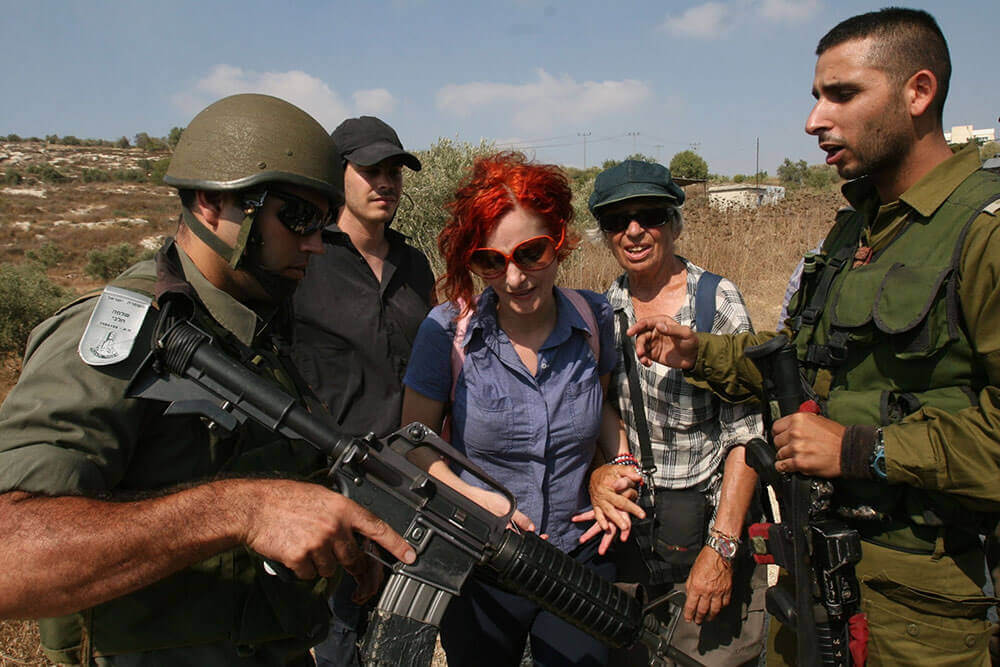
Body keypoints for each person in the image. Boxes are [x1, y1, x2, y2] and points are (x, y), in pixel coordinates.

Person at [627, 8, 1000, 665]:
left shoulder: (983, 235)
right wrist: (695, 351)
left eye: (843, 94)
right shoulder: (854, 230)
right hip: (818, 574)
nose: (814, 121)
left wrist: (859, 449)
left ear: (919, 92)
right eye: (815, 97)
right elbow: (799, 363)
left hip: (923, 606)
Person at [0, 94, 416, 666]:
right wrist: (242, 511)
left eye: (322, 221)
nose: (316, 243)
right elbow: (9, 553)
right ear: (213, 202)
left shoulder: (251, 329)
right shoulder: (121, 333)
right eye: (297, 217)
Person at [400, 152, 618, 666]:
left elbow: (602, 409)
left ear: (559, 241)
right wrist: (481, 501)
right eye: (491, 261)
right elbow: (412, 447)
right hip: (480, 563)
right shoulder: (445, 333)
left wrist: (618, 465)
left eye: (531, 252)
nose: (514, 277)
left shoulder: (595, 317)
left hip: (576, 555)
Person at [578, 160, 767, 666]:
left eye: (649, 215)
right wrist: (610, 468)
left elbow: (746, 436)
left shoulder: (716, 301)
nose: (634, 231)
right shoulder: (603, 309)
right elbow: (601, 408)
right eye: (618, 221)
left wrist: (722, 550)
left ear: (673, 222)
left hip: (704, 530)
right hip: (634, 538)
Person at [291, 116, 433, 667]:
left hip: (412, 486)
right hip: (334, 487)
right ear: (338, 175)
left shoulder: (414, 263)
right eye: (370, 169)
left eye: (394, 170)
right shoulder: (305, 257)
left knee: (405, 643)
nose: (385, 182)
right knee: (340, 641)